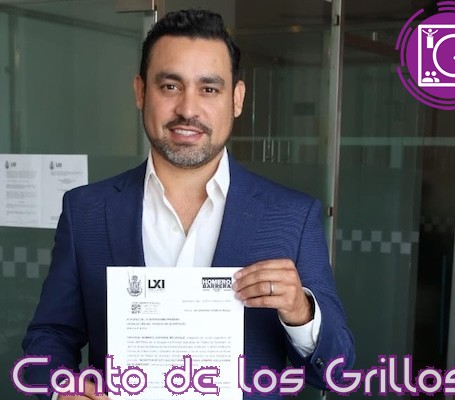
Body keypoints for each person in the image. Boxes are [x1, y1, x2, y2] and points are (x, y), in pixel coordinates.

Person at [22, 9, 355, 399]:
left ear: (237, 99)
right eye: (170, 86)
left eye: (209, 89)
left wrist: (301, 312)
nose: (188, 109)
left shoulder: (292, 217)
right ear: (140, 92)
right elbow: (50, 334)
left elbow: (337, 370)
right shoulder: (87, 211)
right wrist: (62, 388)